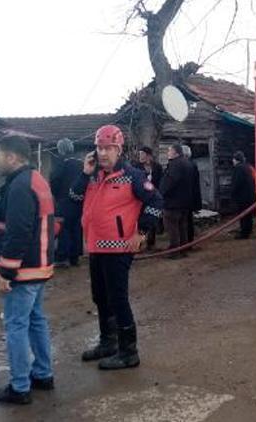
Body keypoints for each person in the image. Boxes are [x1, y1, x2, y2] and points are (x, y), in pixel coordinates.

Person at [72, 125, 162, 370]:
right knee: (100, 297)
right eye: (99, 148)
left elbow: (155, 201)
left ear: (118, 150)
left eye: (108, 148)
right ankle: (108, 342)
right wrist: (84, 174)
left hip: (119, 248)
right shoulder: (93, 177)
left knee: (118, 299)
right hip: (96, 247)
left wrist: (141, 232)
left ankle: (128, 351)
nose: (102, 153)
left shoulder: (132, 176)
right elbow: (73, 199)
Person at [0, 136, 56, 405]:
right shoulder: (36, 180)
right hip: (40, 267)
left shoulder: (19, 186)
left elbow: (17, 231)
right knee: (36, 320)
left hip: (24, 270)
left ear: (12, 157)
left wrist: (5, 271)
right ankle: (43, 374)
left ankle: (20, 387)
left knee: (16, 325)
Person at [50, 138, 83, 267]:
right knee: (76, 228)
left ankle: (62, 257)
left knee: (63, 228)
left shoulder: (61, 162)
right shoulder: (80, 163)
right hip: (79, 200)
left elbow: (54, 180)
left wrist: (56, 194)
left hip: (64, 200)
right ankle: (75, 257)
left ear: (61, 149)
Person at [159, 144, 194, 259]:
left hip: (173, 203)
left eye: (169, 150)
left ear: (176, 152)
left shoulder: (175, 165)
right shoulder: (188, 163)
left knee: (172, 227)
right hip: (185, 202)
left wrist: (160, 193)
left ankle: (174, 251)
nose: (167, 153)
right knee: (182, 227)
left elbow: (169, 182)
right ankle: (183, 250)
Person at [134, 146, 164, 250]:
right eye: (139, 155)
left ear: (148, 156)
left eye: (142, 154)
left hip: (153, 199)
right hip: (140, 199)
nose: (140, 157)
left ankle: (151, 243)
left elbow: (161, 182)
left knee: (152, 220)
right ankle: (138, 244)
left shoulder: (157, 167)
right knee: (140, 222)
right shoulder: (136, 167)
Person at [231, 151, 256, 239]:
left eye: (233, 159)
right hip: (250, 196)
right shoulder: (248, 167)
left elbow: (237, 183)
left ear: (236, 160)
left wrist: (232, 193)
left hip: (242, 197)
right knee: (248, 215)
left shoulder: (238, 168)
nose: (232, 161)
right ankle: (248, 230)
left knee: (243, 215)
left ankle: (244, 234)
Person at [182, 145, 202, 244]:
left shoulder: (189, 165)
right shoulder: (192, 164)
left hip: (187, 197)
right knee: (188, 220)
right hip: (191, 197)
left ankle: (188, 241)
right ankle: (189, 240)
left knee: (187, 221)